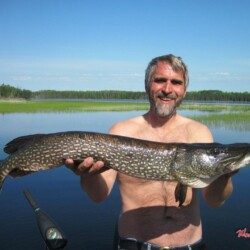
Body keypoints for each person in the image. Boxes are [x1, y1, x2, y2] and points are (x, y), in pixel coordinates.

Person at [66, 54, 234, 250]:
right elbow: (98, 195)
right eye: (160, 80)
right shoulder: (121, 132)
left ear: (184, 90)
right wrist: (87, 175)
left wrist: (224, 175)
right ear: (147, 85)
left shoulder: (199, 133)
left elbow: (214, 201)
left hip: (189, 246)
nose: (167, 89)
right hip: (133, 245)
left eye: (176, 82)